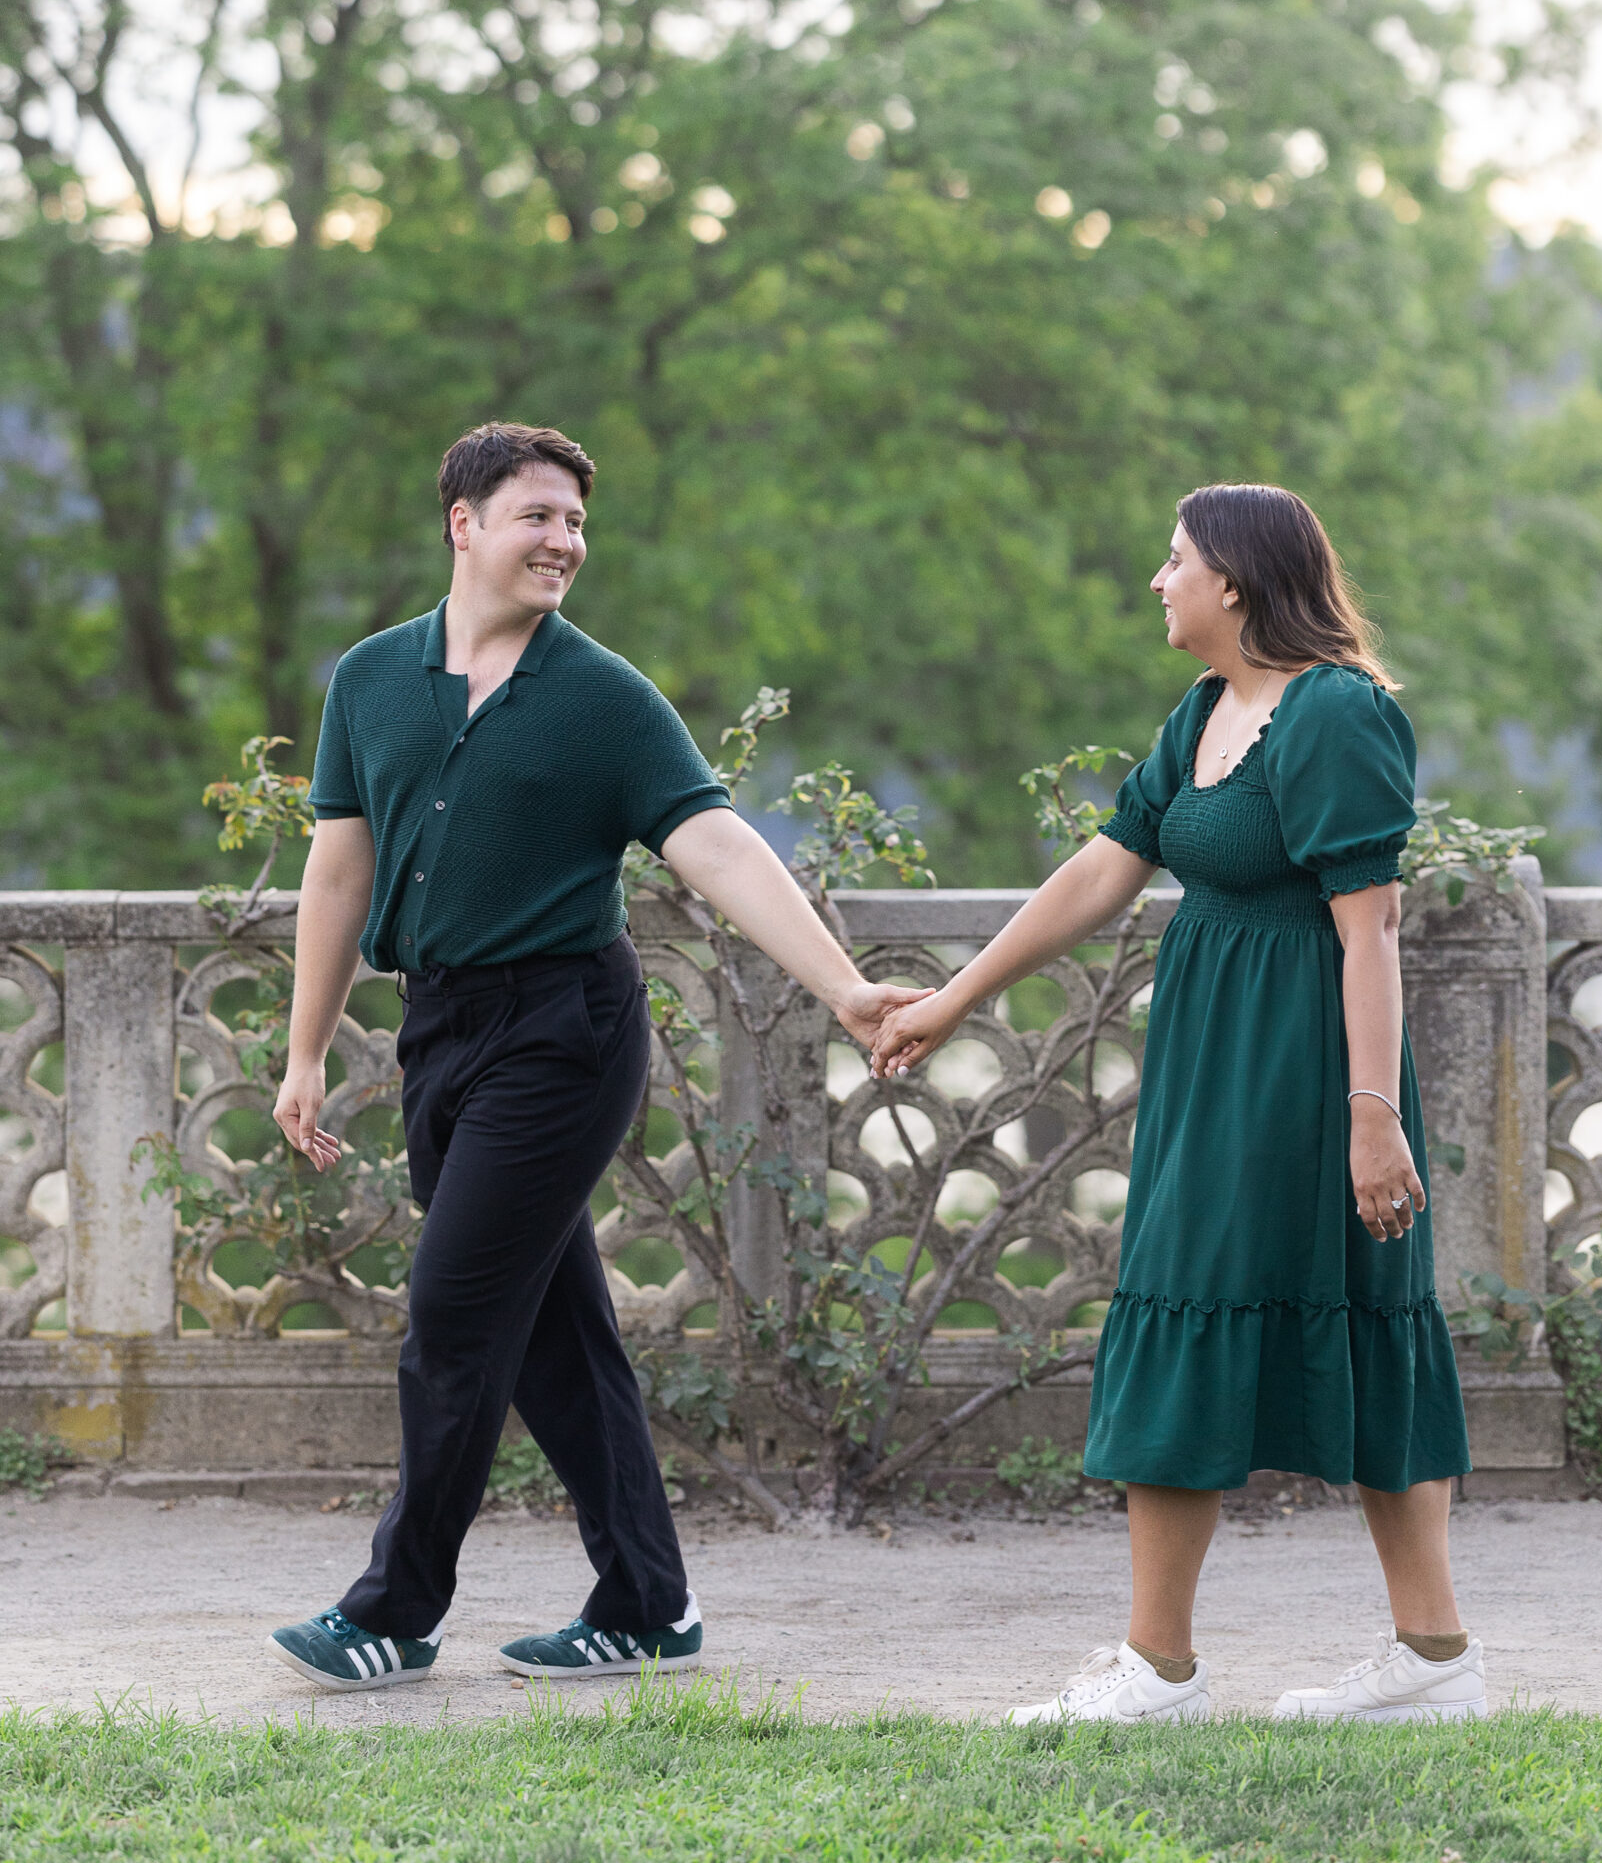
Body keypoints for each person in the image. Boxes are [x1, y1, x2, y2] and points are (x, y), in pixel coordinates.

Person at [266, 421, 926, 1692]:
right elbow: (338, 871)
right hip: (441, 1031)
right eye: (537, 515)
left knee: (455, 1311)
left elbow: (719, 845)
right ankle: (647, 1604)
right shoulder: (369, 680)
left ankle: (394, 1610)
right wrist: (303, 1052)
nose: (564, 540)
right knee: (560, 1333)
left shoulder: (606, 697)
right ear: (463, 522)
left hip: (566, 1033)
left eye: (575, 520)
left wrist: (843, 986)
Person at [872, 483, 1482, 1726]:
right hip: (1214, 1061)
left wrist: (1376, 1117)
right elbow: (1106, 865)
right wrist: (958, 995)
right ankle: (1165, 1664)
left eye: (1175, 559)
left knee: (1366, 1313)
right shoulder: (1206, 710)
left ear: (1238, 582)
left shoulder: (1336, 713)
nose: (1159, 580)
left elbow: (1372, 933)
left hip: (1313, 1073)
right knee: (1183, 1301)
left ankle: (1423, 1660)